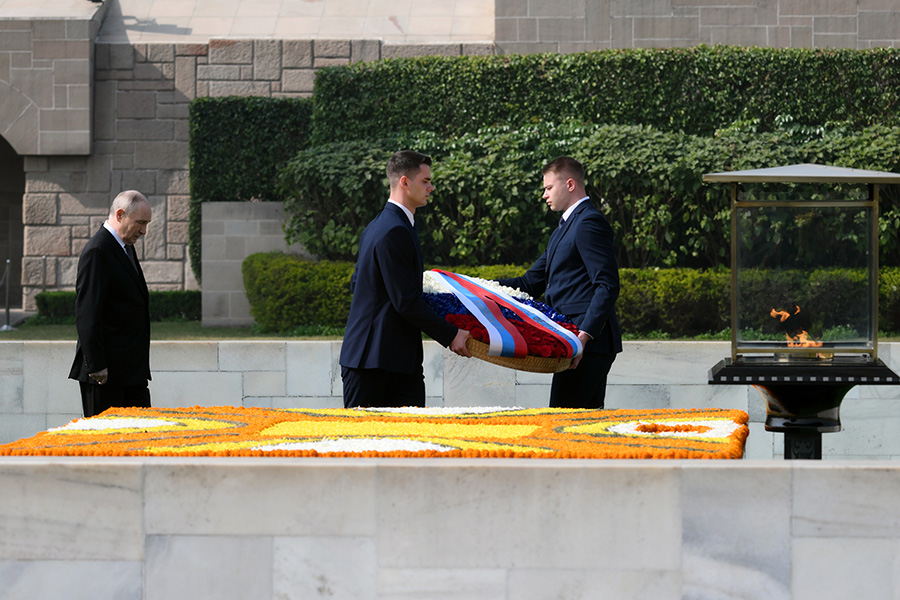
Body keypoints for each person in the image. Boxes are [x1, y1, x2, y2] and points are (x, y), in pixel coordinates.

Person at [340, 150, 471, 408]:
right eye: (425, 181)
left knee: (411, 433)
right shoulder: (394, 229)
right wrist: (450, 334)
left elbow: (359, 284)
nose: (431, 187)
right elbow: (405, 300)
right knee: (366, 435)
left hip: (395, 360)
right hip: (373, 363)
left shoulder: (384, 225)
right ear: (404, 182)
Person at [498, 156, 622, 409]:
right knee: (580, 422)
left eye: (548, 187)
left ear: (570, 184)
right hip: (573, 341)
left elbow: (607, 285)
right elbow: (530, 283)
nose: (544, 195)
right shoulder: (563, 228)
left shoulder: (588, 222)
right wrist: (475, 286)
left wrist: (583, 337)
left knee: (562, 419)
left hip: (587, 343)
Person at [69, 190, 153, 418]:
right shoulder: (98, 250)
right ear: (120, 215)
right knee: (108, 439)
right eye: (141, 223)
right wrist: (96, 364)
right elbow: (87, 313)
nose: (144, 231)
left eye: (147, 224)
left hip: (131, 374)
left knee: (142, 434)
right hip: (104, 377)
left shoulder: (124, 247)